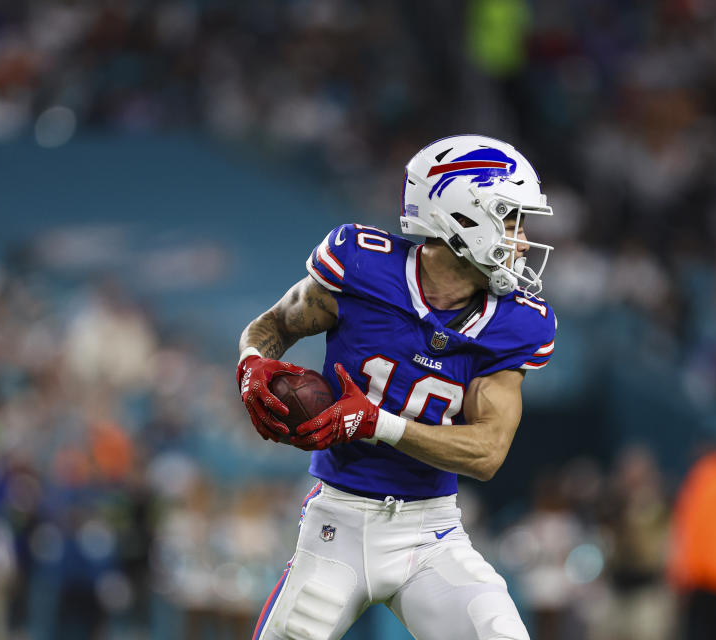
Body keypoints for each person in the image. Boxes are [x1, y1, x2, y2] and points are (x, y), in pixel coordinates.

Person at [236, 134, 557, 640]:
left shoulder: (515, 323)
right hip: (336, 521)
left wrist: (377, 423)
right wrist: (252, 364)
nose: (520, 240)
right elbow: (274, 325)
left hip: (431, 533)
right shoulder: (362, 268)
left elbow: (487, 452)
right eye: (511, 218)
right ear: (461, 214)